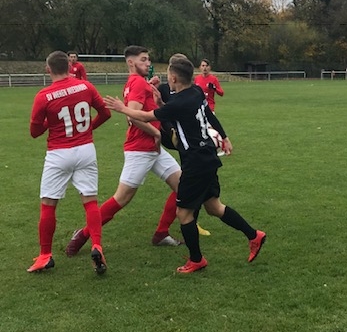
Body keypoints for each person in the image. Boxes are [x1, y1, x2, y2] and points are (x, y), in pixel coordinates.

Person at [104, 54, 266, 274]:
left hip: (196, 163)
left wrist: (121, 108)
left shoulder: (179, 102)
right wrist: (224, 136)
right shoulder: (196, 92)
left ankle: (196, 260)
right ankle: (254, 235)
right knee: (214, 207)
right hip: (208, 157)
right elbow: (203, 114)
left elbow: (145, 115)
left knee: (184, 214)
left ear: (173, 78)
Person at [65, 45, 203, 256]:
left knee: (182, 186)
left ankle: (161, 233)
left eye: (148, 59)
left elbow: (136, 107)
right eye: (143, 59)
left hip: (152, 149)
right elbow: (132, 116)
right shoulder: (137, 82)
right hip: (140, 149)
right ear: (131, 62)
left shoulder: (136, 82)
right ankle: (83, 235)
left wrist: (150, 88)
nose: (148, 63)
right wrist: (156, 133)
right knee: (121, 199)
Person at [28, 50, 111, 273]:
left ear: (48, 69)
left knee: (48, 203)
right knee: (90, 201)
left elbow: (34, 132)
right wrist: (87, 129)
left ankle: (45, 255)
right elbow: (105, 114)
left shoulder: (44, 96)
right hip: (86, 149)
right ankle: (97, 245)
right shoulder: (86, 87)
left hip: (59, 153)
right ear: (69, 66)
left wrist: (49, 122)